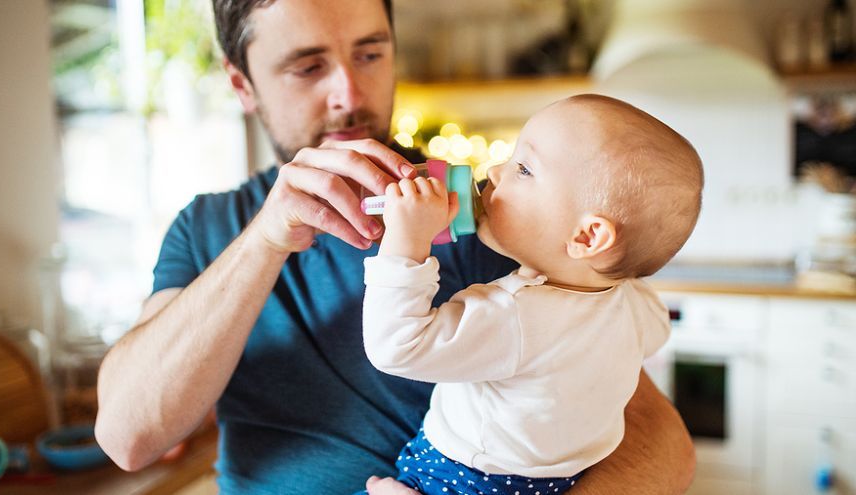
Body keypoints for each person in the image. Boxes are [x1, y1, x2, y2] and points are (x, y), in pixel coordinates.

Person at [94, 1, 696, 494]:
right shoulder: (208, 228)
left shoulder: (492, 215)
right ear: (241, 84)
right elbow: (129, 437)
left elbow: (656, 441)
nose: (348, 92)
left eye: (370, 52)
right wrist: (265, 238)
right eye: (307, 67)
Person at [360, 95, 703, 494]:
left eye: (523, 169)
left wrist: (407, 240)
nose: (494, 170)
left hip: (457, 481)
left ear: (587, 236)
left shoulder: (515, 316)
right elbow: (655, 333)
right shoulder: (637, 306)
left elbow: (395, 347)